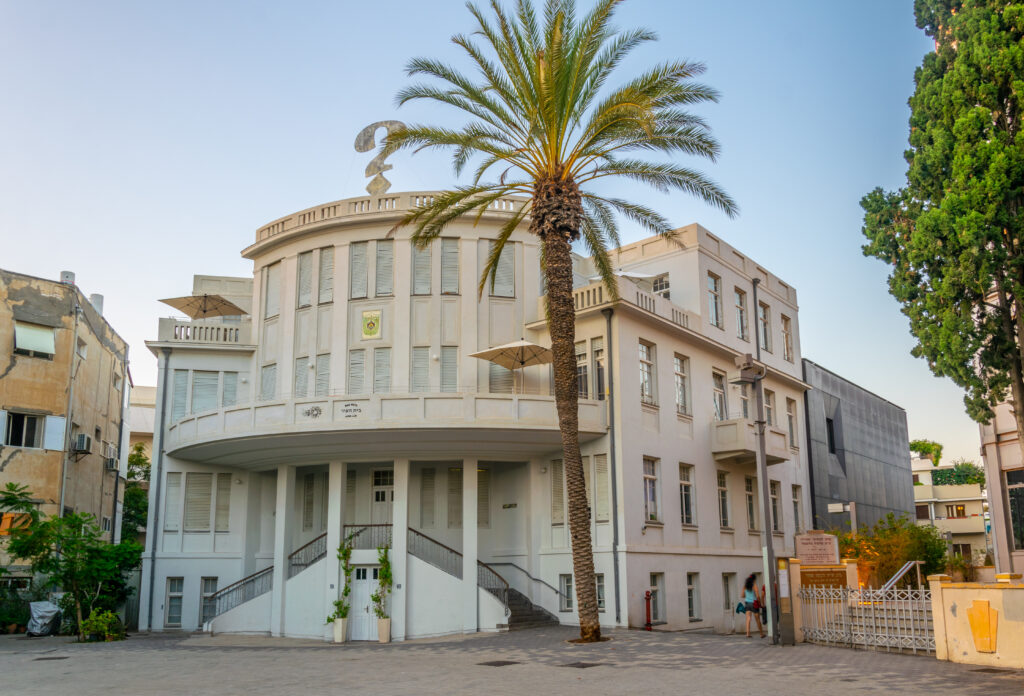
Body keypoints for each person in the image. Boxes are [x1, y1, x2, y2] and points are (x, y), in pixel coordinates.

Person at [743, 573, 765, 638]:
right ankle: (761, 634)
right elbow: (758, 596)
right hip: (754, 603)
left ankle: (748, 634)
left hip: (747, 603)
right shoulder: (754, 585)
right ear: (754, 579)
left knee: (748, 619)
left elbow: (742, 595)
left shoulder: (745, 586)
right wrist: (760, 603)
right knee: (757, 619)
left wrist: (747, 596)